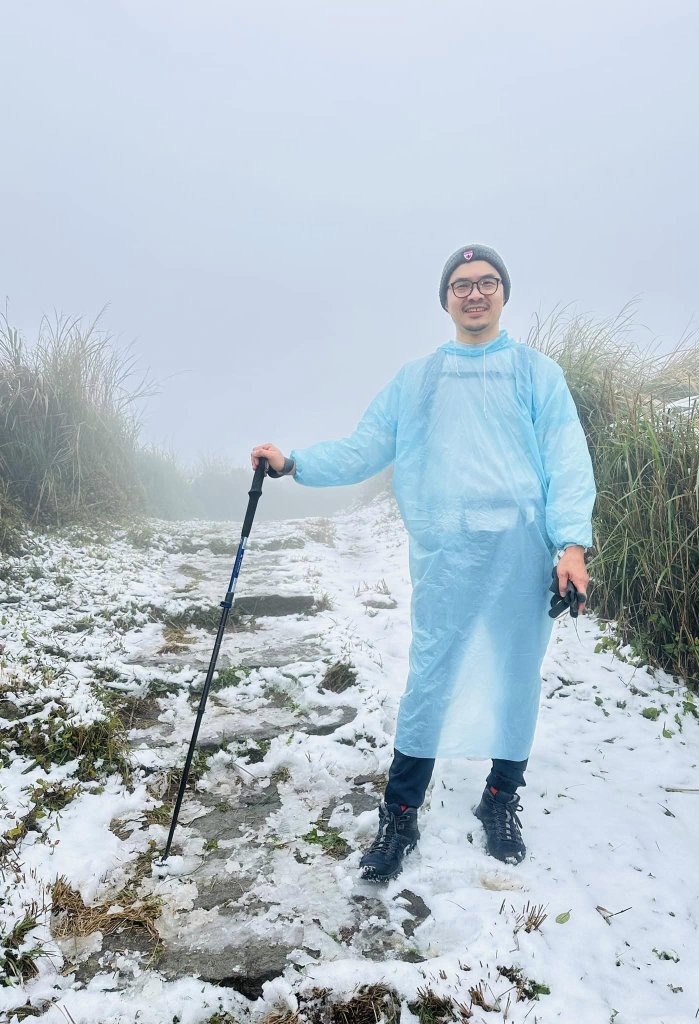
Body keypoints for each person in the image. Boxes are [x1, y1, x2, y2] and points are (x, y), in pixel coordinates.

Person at [251, 244, 596, 882]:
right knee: (432, 678)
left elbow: (566, 459)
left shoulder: (535, 373)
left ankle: (501, 797)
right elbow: (366, 445)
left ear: (503, 294)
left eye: (487, 282)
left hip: (522, 553)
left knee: (516, 675)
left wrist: (570, 544)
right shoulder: (419, 379)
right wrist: (295, 462)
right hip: (448, 555)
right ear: (445, 298)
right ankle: (401, 812)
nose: (474, 293)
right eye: (462, 284)